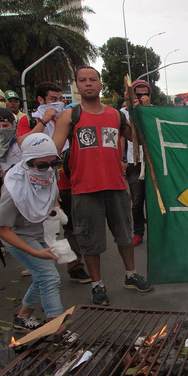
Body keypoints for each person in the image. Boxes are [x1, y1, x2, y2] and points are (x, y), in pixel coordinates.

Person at [51, 66, 153, 306]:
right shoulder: (70, 116)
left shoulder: (116, 116)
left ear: (100, 84)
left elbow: (138, 137)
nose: (88, 84)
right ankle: (97, 285)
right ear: (77, 85)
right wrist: (49, 189)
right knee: (89, 241)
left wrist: (141, 114)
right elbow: (52, 152)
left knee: (125, 235)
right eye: (82, 80)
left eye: (93, 80)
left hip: (116, 186)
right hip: (84, 189)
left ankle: (131, 275)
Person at [15, 81, 90, 284]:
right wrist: (44, 121)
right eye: (52, 100)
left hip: (67, 181)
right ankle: (38, 261)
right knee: (39, 226)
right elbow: (23, 145)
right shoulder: (29, 121)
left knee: (71, 225)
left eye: (60, 100)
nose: (57, 104)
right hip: (37, 183)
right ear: (41, 100)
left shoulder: (69, 119)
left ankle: (75, 266)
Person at [0, 133, 66, 330]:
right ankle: (57, 330)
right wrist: (36, 253)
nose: (49, 170)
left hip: (39, 234)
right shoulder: (14, 190)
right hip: (17, 236)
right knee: (50, 278)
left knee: (43, 276)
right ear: (27, 163)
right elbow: (2, 231)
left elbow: (51, 194)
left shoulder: (48, 174)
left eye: (54, 163)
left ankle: (23, 318)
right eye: (42, 165)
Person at [126, 80, 152, 246]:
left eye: (145, 94)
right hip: (133, 163)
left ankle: (156, 233)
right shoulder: (123, 112)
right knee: (137, 202)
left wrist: (147, 109)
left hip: (151, 163)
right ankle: (138, 232)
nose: (142, 97)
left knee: (153, 202)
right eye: (138, 94)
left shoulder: (153, 111)